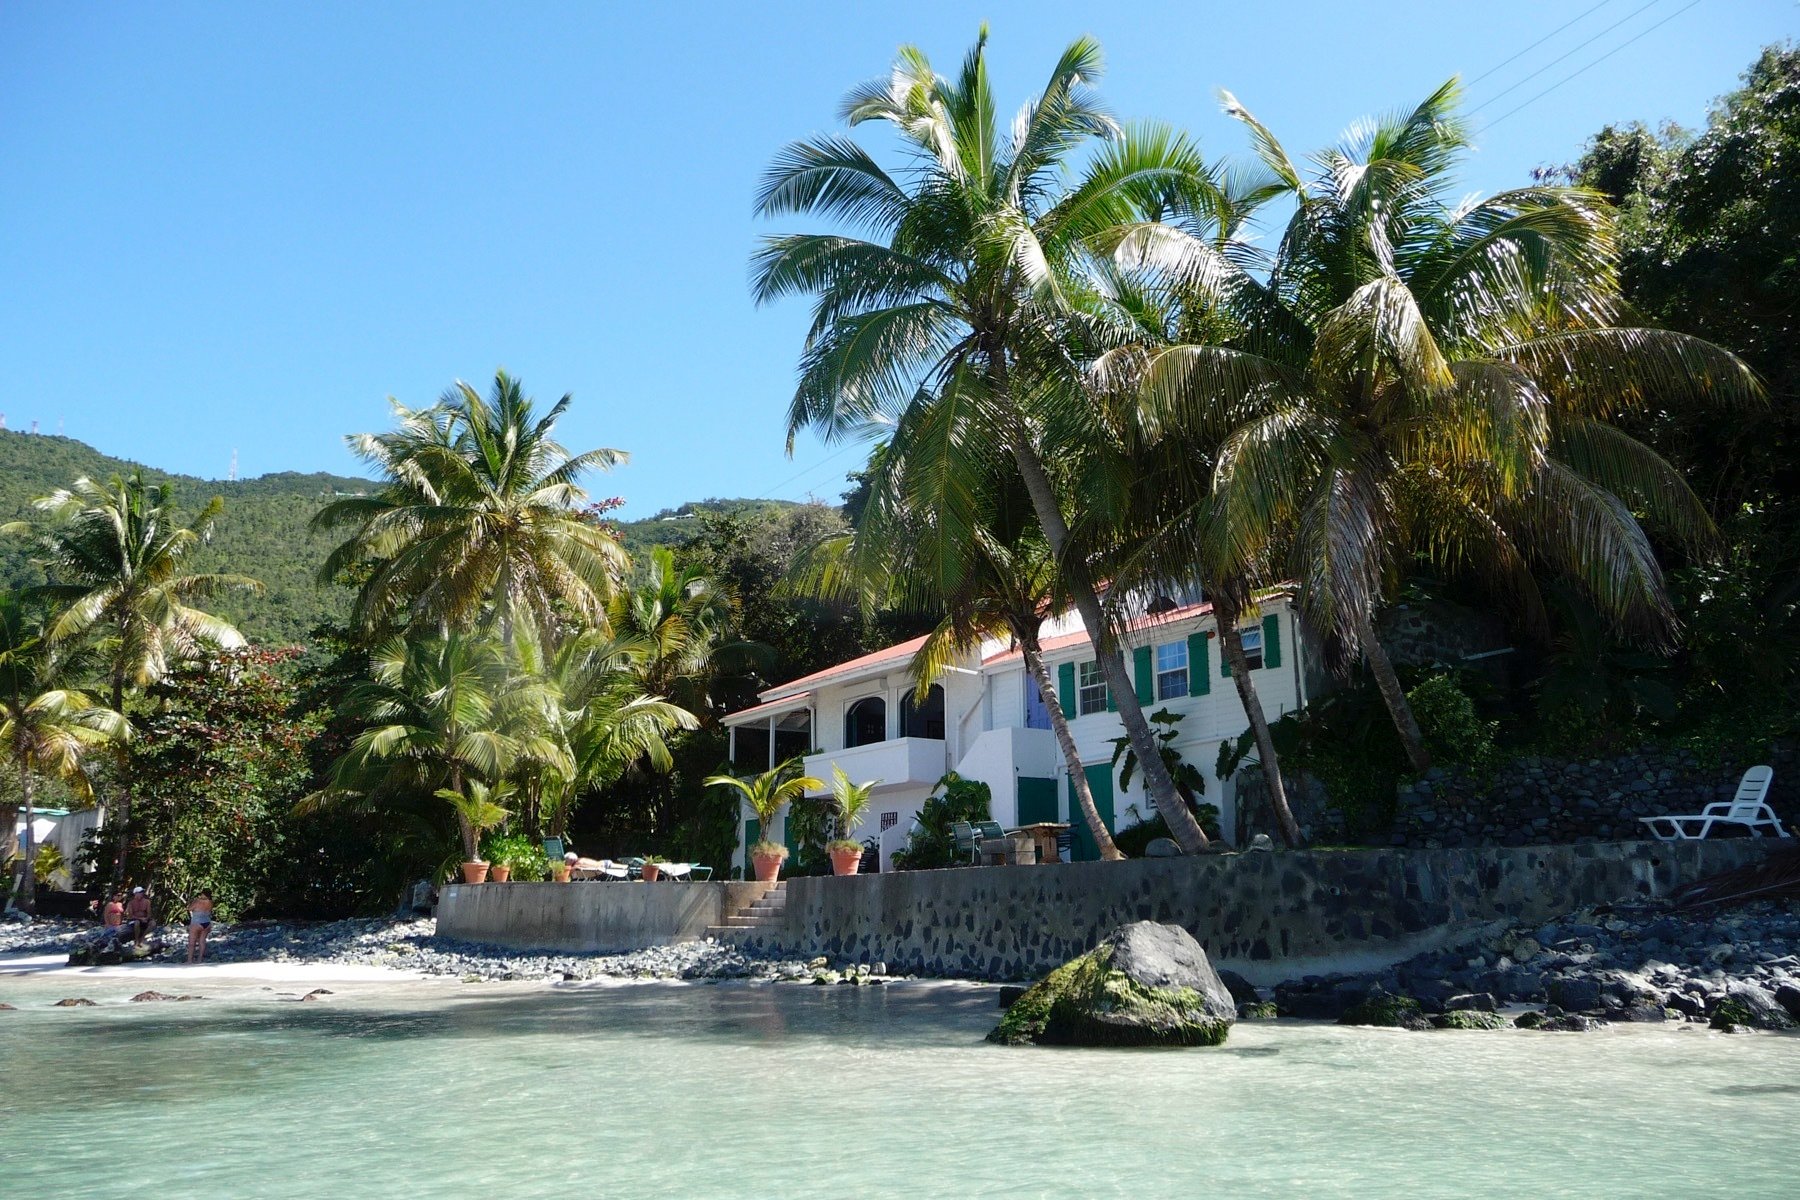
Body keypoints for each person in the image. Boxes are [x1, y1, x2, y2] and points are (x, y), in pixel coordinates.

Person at [186, 890, 214, 964]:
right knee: (202, 941)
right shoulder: (211, 902)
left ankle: (189, 960)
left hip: (197, 922)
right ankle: (200, 959)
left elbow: (189, 908)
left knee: (192, 942)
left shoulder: (197, 901)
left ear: (203, 894)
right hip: (207, 923)